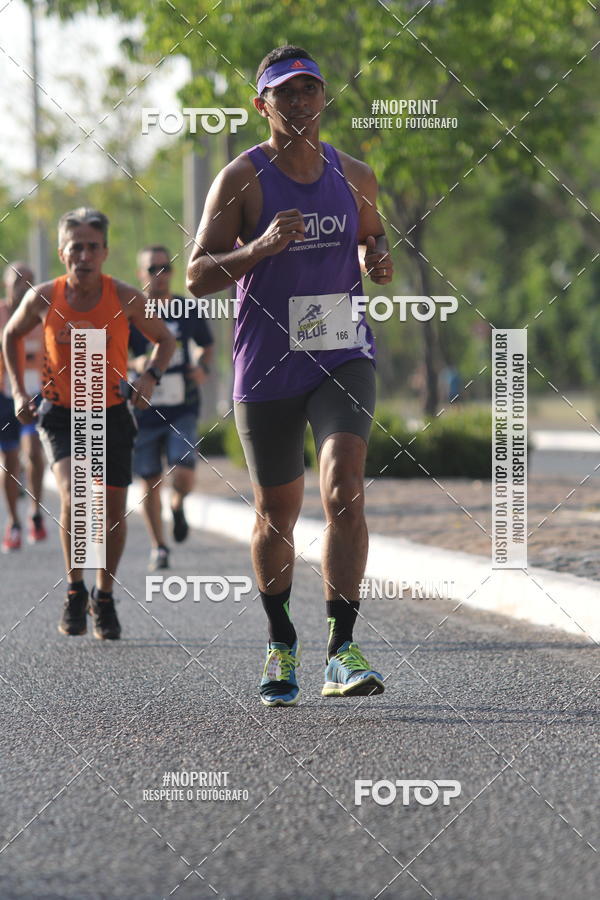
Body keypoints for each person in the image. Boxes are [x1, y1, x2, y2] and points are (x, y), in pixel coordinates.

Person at [186, 46, 394, 705]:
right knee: (277, 514)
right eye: (286, 92)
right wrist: (258, 248)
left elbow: (372, 233)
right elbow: (196, 276)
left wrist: (378, 254)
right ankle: (281, 640)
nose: (301, 102)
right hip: (267, 364)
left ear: (324, 98)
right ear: (263, 105)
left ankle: (342, 648)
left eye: (311, 90)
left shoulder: (356, 174)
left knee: (344, 490)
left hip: (341, 354)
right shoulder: (242, 180)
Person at [2, 208, 176, 639]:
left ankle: (104, 594)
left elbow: (165, 339)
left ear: (105, 252)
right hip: (61, 414)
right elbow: (9, 334)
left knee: (113, 511)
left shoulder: (126, 297)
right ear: (63, 253)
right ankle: (75, 589)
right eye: (75, 246)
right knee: (75, 495)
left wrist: (150, 378)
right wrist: (20, 393)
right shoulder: (44, 297)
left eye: (91, 247)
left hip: (113, 412)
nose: (83, 254)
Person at [129, 244, 214, 572]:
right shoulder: (131, 311)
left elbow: (207, 346)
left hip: (182, 407)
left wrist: (203, 368)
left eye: (165, 268)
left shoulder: (186, 308)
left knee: (183, 475)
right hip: (144, 409)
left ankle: (177, 506)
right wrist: (137, 362)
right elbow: (114, 358)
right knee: (149, 481)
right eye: (152, 269)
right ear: (141, 274)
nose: (159, 275)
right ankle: (159, 547)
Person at [0, 261, 48, 551]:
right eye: (18, 279)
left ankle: (35, 512)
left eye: (29, 280)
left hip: (37, 393)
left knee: (34, 451)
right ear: (6, 284)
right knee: (10, 460)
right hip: (5, 394)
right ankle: (13, 520)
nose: (24, 285)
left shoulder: (41, 313)